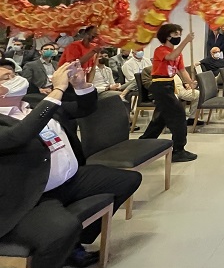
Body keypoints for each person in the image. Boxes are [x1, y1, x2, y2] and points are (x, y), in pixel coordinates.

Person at [0, 59, 142, 268]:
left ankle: (74, 243)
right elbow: (19, 134)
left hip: (68, 180)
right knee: (61, 231)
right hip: (31, 195)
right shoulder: (32, 110)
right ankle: (62, 246)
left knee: (127, 181)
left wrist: (80, 86)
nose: (16, 79)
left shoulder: (32, 102)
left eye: (13, 74)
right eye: (7, 78)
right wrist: (57, 90)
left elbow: (83, 108)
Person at [139, 24, 198, 162]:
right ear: (167, 36)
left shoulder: (178, 53)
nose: (179, 37)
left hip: (169, 85)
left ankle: (144, 143)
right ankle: (178, 150)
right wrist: (186, 41)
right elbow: (171, 56)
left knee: (161, 118)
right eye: (176, 34)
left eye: (180, 34)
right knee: (178, 115)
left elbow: (182, 70)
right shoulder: (160, 50)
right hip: (160, 86)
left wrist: (190, 82)